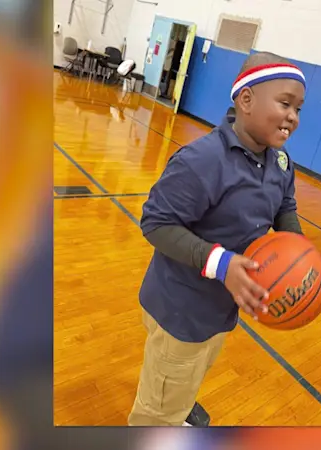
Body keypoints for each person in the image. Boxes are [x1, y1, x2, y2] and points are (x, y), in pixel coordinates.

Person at [128, 51, 307, 426]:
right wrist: (222, 263)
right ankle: (164, 414)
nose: (293, 116)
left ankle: (180, 396)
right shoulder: (202, 160)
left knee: (197, 364)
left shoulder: (280, 162)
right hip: (181, 311)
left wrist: (297, 248)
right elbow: (156, 223)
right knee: (158, 410)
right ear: (246, 101)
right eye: (285, 103)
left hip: (219, 308)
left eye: (299, 108)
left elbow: (285, 206)